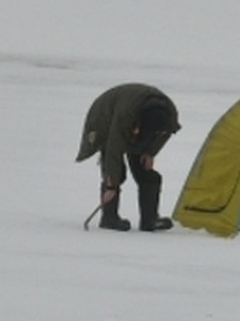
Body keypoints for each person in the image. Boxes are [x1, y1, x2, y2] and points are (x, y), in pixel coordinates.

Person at [76, 83, 181, 231]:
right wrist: (111, 186)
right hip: (105, 118)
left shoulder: (168, 116)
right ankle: (109, 218)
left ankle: (149, 220)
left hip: (136, 118)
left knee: (147, 174)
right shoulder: (125, 116)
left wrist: (150, 152)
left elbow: (165, 134)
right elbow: (114, 150)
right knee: (116, 173)